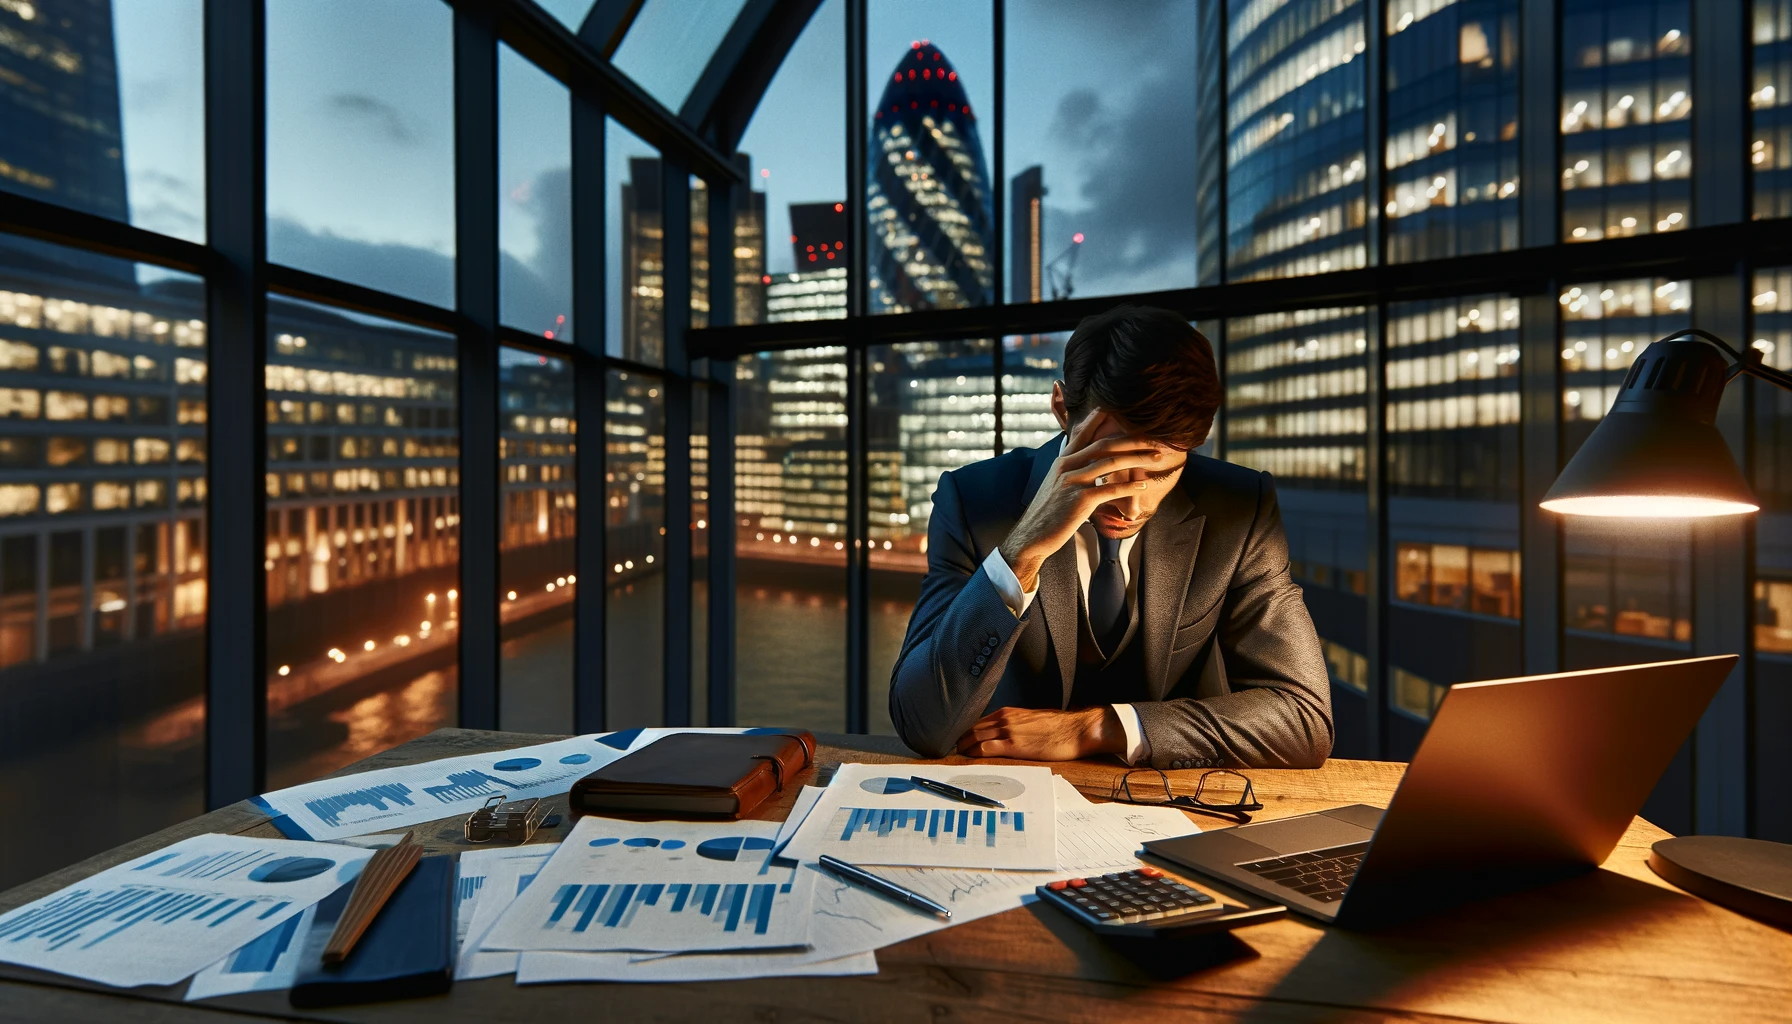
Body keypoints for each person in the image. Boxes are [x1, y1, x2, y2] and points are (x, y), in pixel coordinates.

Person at [888, 305, 1333, 769]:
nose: (1133, 506)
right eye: (1111, 468)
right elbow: (923, 723)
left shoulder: (1240, 506)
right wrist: (1021, 551)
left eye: (1163, 474)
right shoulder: (974, 500)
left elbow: (1305, 719)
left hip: (1179, 803)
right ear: (1062, 409)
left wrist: (1098, 728)